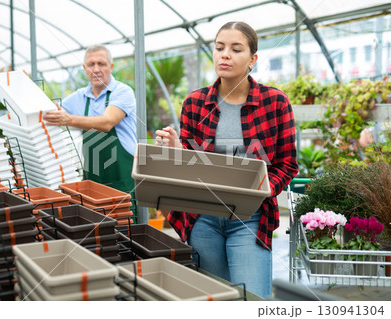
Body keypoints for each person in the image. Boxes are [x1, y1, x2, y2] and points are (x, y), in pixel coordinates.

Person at [155, 21, 298, 298]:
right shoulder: (194, 103)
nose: (225, 55)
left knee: (253, 298)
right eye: (219, 47)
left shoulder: (275, 102)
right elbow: (189, 165)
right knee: (214, 299)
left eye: (236, 49)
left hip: (250, 217)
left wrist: (267, 187)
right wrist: (177, 150)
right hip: (203, 217)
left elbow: (287, 164)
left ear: (252, 59)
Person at [43, 45, 137, 196]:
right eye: (91, 64)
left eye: (101, 64)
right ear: (85, 68)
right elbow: (48, 113)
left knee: (125, 219)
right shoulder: (79, 97)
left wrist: (69, 119)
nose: (96, 69)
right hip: (92, 180)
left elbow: (107, 122)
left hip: (122, 179)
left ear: (111, 67)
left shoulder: (122, 92)